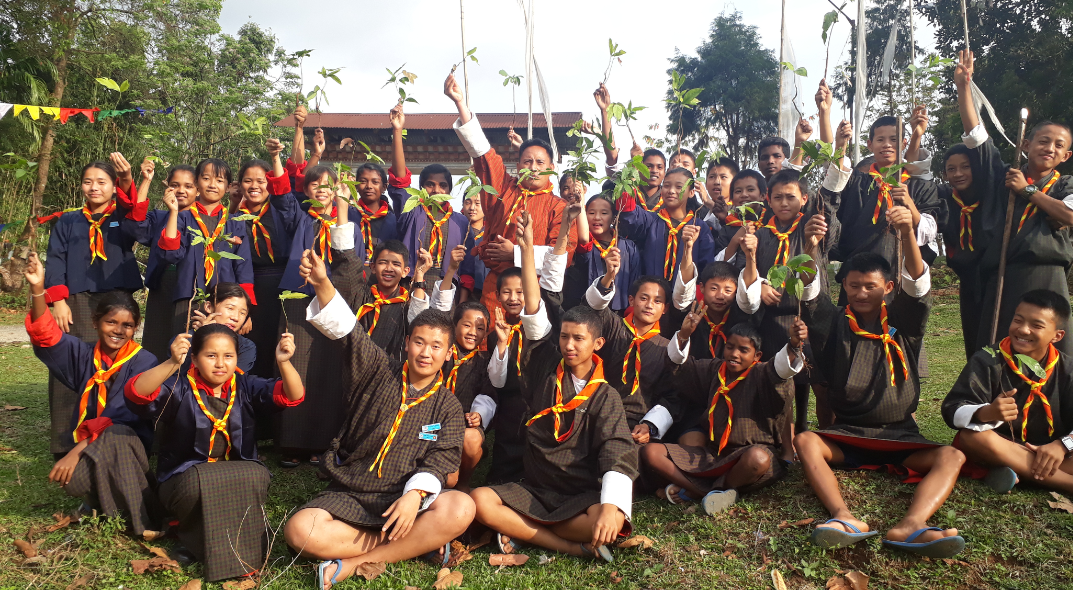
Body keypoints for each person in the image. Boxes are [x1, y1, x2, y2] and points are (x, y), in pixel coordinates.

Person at [283, 248, 475, 590]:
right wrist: (323, 282)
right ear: (407, 343)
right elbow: (349, 331)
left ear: (448, 354)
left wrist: (414, 496)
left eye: (436, 347)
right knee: (301, 530)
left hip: (404, 499)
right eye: (419, 342)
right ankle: (414, 543)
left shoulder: (447, 406)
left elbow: (441, 460)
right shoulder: (378, 368)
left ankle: (352, 563)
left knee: (461, 507)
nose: (426, 353)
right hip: (353, 492)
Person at [794, 205, 967, 558]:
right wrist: (810, 247)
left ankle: (912, 524)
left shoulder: (904, 321)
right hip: (848, 434)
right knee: (806, 441)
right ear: (844, 286)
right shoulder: (834, 322)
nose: (861, 293)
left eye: (870, 286)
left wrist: (907, 233)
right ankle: (843, 517)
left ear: (888, 287)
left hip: (900, 437)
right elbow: (810, 292)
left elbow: (916, 285)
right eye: (854, 286)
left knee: (952, 455)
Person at [470, 211, 636, 562]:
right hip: (536, 488)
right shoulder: (546, 366)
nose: (569, 345)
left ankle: (523, 530)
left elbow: (618, 448)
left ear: (598, 344)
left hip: (579, 494)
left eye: (579, 339)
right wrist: (527, 247)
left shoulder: (605, 395)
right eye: (564, 337)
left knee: (612, 521)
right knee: (480, 500)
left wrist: (611, 506)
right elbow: (534, 311)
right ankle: (567, 545)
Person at [125, 325, 303, 581]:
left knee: (256, 473)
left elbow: (293, 396)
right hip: (185, 479)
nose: (220, 364)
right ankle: (191, 536)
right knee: (201, 480)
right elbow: (136, 393)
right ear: (195, 358)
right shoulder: (180, 387)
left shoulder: (245, 386)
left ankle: (204, 545)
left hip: (235, 475)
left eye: (228, 356)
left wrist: (284, 362)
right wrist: (172, 362)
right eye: (211, 356)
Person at [25, 253, 159, 534]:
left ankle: (140, 521)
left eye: (127, 325)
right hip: (93, 445)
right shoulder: (83, 354)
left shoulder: (144, 361)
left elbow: (120, 419)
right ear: (96, 322)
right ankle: (99, 502)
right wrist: (38, 290)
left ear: (135, 329)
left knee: (116, 437)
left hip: (129, 446)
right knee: (73, 481)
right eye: (111, 322)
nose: (118, 331)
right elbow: (46, 335)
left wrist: (75, 452)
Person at [955, 50, 1073, 356]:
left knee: (1049, 353)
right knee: (1000, 349)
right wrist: (964, 87)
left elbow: (1069, 215)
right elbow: (976, 137)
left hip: (1049, 277)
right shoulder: (1002, 176)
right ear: (1025, 145)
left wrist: (1028, 190)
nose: (1049, 148)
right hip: (1005, 277)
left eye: (1058, 145)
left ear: (1066, 156)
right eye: (1043, 141)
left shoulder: (1065, 184)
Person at [41, 154, 150, 456]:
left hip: (117, 298)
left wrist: (130, 179)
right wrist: (58, 301)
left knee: (116, 364)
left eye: (102, 182)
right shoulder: (68, 220)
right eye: (88, 182)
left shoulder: (124, 217)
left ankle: (112, 432)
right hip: (76, 299)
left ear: (113, 187)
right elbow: (55, 259)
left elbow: (137, 217)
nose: (94, 187)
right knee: (71, 363)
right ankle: (65, 440)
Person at [642, 316, 805, 513]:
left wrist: (793, 343)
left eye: (743, 350)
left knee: (758, 459)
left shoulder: (763, 374)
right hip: (713, 455)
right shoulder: (715, 369)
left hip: (747, 456)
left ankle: (702, 489)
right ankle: (708, 492)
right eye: (730, 347)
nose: (734, 354)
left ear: (757, 355)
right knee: (652, 452)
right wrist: (684, 335)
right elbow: (680, 367)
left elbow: (781, 370)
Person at [262, 150, 363, 467]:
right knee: (294, 362)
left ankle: (324, 442)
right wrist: (276, 159)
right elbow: (281, 197)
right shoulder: (300, 217)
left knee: (328, 368)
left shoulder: (351, 224)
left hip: (332, 299)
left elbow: (353, 265)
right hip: (298, 297)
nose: (321, 189)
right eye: (314, 184)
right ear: (305, 190)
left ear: (337, 190)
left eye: (327, 184)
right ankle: (292, 442)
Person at [447, 72, 576, 316]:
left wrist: (515, 252)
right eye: (527, 161)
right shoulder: (505, 188)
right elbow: (484, 157)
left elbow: (564, 255)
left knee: (531, 337)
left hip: (535, 291)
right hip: (495, 288)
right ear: (518, 166)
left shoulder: (559, 207)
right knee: (490, 335)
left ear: (551, 167)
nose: (533, 167)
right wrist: (460, 103)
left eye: (540, 162)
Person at [943, 289, 1073, 495]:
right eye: (1018, 320)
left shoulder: (1068, 369)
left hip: (1052, 453)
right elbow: (953, 409)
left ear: (1057, 335)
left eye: (1036, 325)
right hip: (999, 445)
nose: (1023, 330)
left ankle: (1018, 471)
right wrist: (986, 412)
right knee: (972, 438)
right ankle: (1065, 483)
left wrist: (1062, 445)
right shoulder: (987, 360)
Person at [819, 117, 943, 299]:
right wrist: (840, 145)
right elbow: (833, 184)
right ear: (870, 145)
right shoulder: (855, 182)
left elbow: (929, 233)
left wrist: (909, 204)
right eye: (880, 139)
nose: (887, 145)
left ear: (904, 143)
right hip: (858, 275)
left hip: (899, 274)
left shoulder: (920, 186)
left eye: (893, 139)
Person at [157, 158, 256, 334]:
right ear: (196, 183)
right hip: (189, 297)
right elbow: (170, 254)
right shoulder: (183, 218)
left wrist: (246, 309)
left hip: (225, 302)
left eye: (219, 180)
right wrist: (173, 212)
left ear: (227, 187)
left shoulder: (234, 223)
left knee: (219, 343)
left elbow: (244, 267)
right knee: (185, 344)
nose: (212, 185)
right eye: (206, 178)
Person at [230, 139, 292, 377]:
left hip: (282, 287)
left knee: (279, 346)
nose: (254, 186)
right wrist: (243, 308)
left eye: (261, 181)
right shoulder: (236, 217)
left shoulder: (281, 210)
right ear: (240, 185)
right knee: (251, 346)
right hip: (250, 289)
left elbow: (286, 190)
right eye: (248, 181)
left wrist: (276, 156)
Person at [387, 103, 469, 280]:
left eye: (443, 185)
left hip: (446, 287)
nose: (436, 190)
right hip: (410, 283)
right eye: (430, 185)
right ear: (421, 188)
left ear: (449, 190)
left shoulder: (461, 221)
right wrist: (397, 130)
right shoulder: (412, 211)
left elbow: (466, 265)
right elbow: (400, 181)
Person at [617, 167, 714, 284]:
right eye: (666, 186)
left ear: (691, 192)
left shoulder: (699, 227)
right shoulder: (651, 220)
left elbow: (706, 268)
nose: (671, 191)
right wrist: (627, 184)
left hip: (686, 293)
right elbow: (631, 214)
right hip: (652, 292)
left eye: (679, 187)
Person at [141, 164, 197, 363]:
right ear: (166, 186)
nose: (181, 190)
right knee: (156, 340)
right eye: (175, 185)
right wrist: (146, 181)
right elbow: (136, 224)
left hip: (190, 290)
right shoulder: (158, 217)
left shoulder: (203, 221)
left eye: (188, 186)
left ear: (198, 190)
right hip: (162, 284)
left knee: (185, 341)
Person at [564, 193, 641, 313]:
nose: (597, 217)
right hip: (586, 311)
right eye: (591, 213)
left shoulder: (629, 247)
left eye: (604, 213)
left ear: (613, 218)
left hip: (619, 313)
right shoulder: (581, 246)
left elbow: (635, 282)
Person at [458, 190, 489, 301]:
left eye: (477, 203)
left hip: (487, 291)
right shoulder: (457, 230)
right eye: (467, 202)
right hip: (459, 290)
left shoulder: (492, 232)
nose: (472, 208)